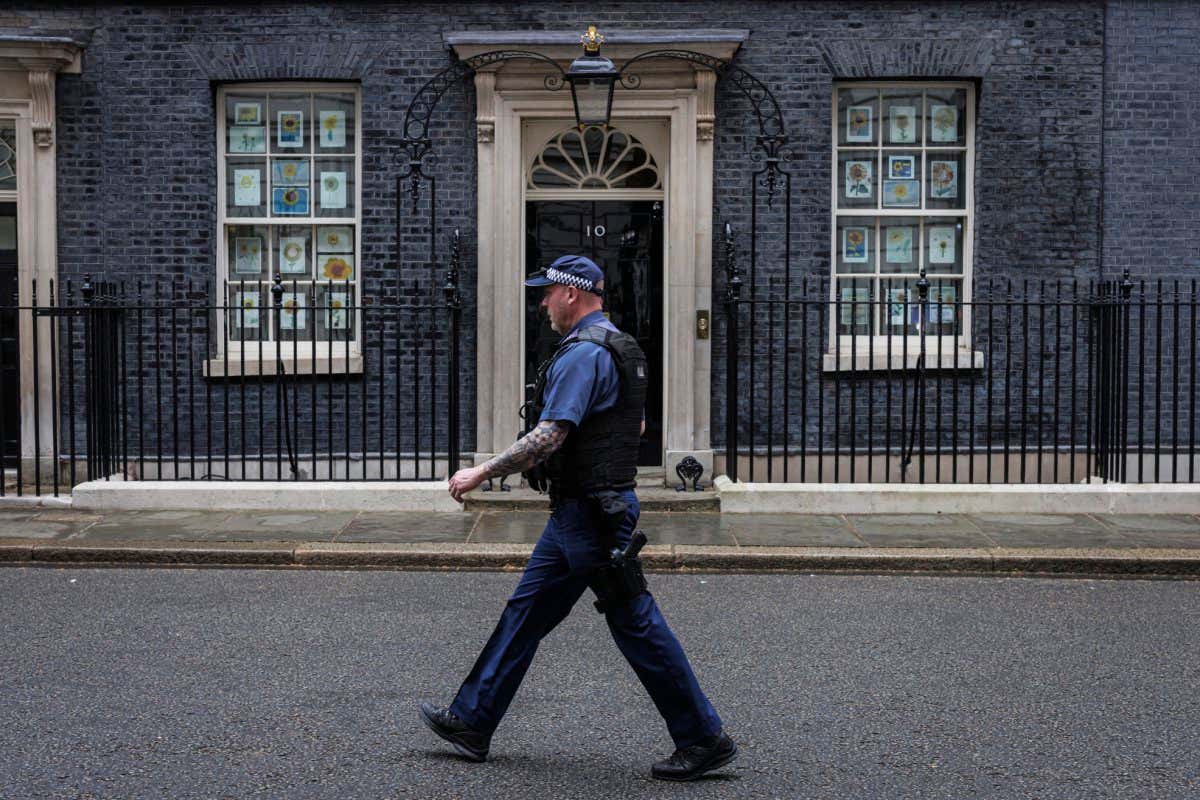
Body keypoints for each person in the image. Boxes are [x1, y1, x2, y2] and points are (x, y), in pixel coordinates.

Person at [420, 254, 736, 781]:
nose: (541, 302)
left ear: (571, 293)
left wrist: (481, 473)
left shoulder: (583, 354)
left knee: (634, 621)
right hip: (583, 508)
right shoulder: (620, 346)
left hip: (590, 511)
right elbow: (632, 428)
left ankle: (703, 737)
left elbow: (548, 436)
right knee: (526, 611)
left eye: (546, 292)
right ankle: (471, 721)